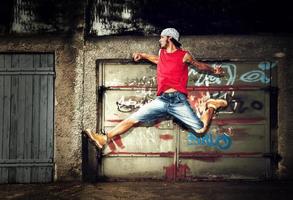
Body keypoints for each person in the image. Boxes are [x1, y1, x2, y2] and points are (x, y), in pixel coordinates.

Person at [84, 28, 228, 148]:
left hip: (178, 100)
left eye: (161, 37)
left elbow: (199, 65)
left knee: (201, 129)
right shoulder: (162, 54)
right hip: (162, 100)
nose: (159, 40)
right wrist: (142, 55)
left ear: (169, 38)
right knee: (133, 118)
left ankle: (211, 105)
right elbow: (157, 60)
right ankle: (104, 138)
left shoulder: (184, 55)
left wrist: (213, 70)